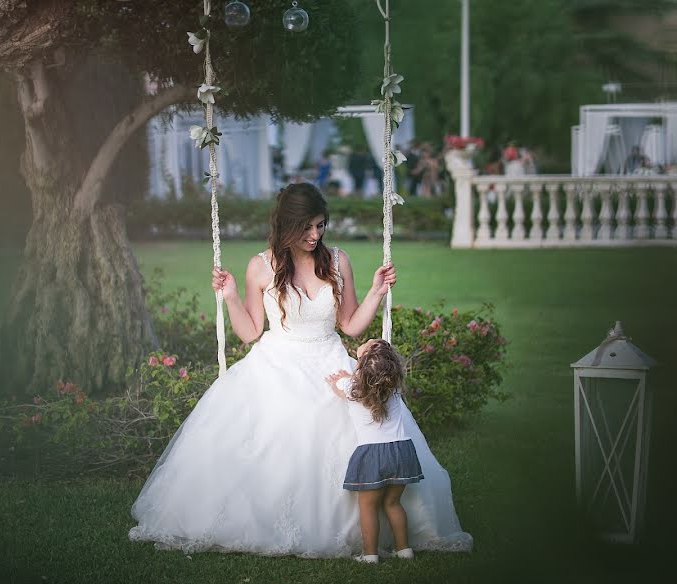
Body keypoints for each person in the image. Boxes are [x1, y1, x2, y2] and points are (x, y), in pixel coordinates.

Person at [129, 183, 473, 558]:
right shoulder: (261, 267)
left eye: (320, 226)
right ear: (286, 225)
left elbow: (351, 326)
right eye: (306, 228)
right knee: (280, 427)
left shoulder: (337, 261)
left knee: (362, 425)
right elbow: (248, 332)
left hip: (330, 359)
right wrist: (229, 295)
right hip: (275, 362)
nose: (314, 236)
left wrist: (377, 292)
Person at [325, 338, 424, 564]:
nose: (368, 340)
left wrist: (339, 380)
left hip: (372, 455)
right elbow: (374, 376)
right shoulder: (394, 387)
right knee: (393, 503)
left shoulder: (351, 387)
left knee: (368, 506)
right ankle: (404, 549)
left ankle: (370, 555)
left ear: (363, 361)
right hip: (401, 450)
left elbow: (337, 386)